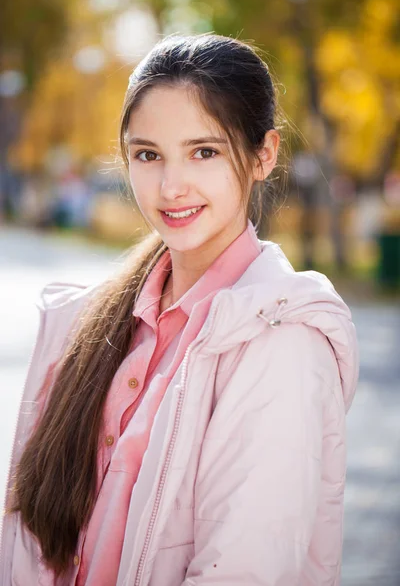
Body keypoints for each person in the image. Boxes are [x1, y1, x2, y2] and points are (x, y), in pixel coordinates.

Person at [0, 33, 359, 586]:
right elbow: (29, 544)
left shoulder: (280, 341)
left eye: (204, 152)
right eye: (148, 155)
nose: (171, 186)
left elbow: (242, 571)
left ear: (264, 154)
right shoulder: (92, 325)